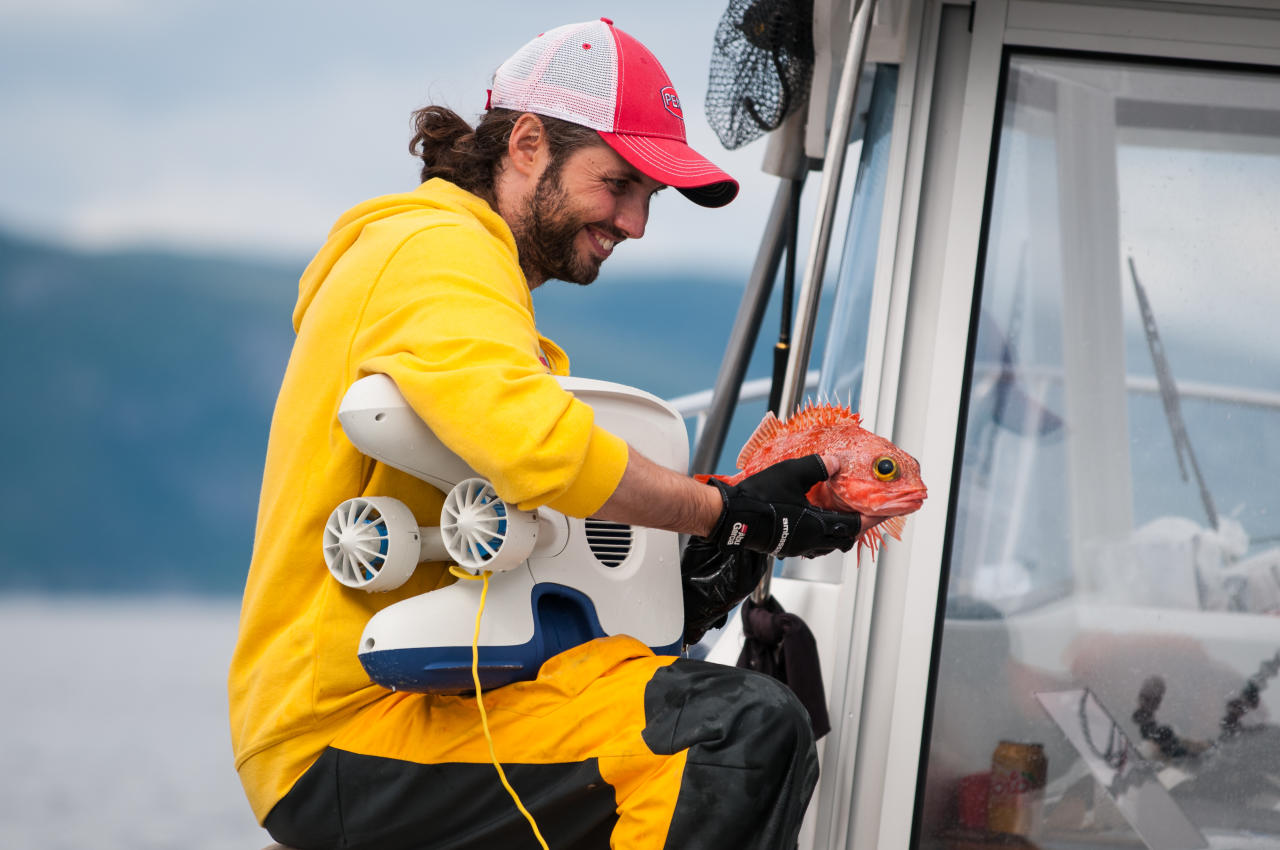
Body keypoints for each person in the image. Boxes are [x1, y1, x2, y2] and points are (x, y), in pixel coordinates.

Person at [229, 19, 860, 850]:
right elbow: (541, 448)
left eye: (650, 198)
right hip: (348, 726)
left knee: (727, 727)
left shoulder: (479, 305)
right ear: (527, 143)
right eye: (620, 183)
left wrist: (696, 573)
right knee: (731, 734)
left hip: (441, 697)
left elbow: (527, 525)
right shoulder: (433, 249)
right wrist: (725, 512)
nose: (636, 222)